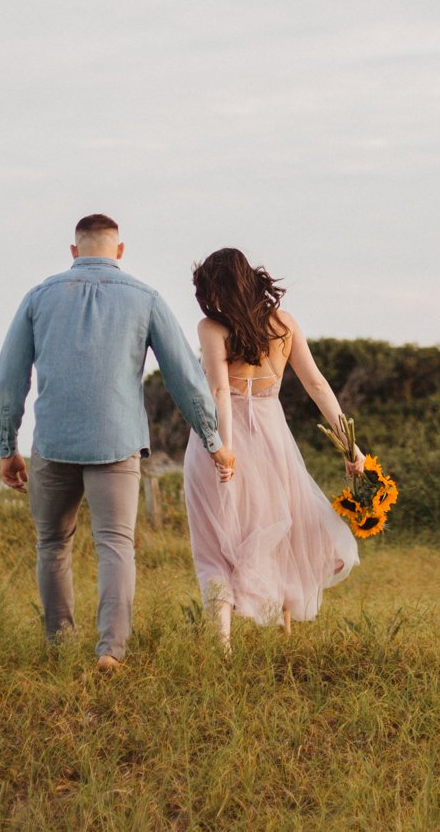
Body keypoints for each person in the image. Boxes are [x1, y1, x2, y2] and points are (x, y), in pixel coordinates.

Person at [0, 214, 238, 671]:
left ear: (74, 251)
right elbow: (187, 378)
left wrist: (8, 447)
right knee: (115, 544)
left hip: (53, 443)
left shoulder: (38, 298)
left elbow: (9, 379)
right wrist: (214, 439)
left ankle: (59, 644)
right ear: (119, 251)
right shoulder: (144, 298)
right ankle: (110, 652)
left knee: (52, 543)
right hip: (117, 442)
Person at [182, 248, 362, 652]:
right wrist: (351, 447)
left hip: (224, 440)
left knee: (214, 544)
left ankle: (223, 645)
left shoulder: (212, 329)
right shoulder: (285, 325)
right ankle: (284, 630)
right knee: (279, 528)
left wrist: (222, 450)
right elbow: (317, 385)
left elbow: (218, 392)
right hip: (272, 437)